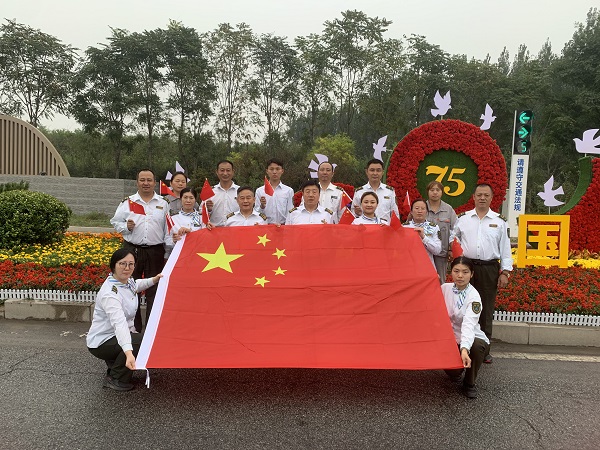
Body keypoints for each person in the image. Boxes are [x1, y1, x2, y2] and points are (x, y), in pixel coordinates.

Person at [451, 183, 513, 364]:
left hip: (489, 268)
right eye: (479, 195)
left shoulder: (499, 221)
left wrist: (505, 272)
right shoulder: (463, 219)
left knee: (484, 309)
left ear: (492, 198)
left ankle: (483, 349)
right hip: (466, 267)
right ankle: (459, 345)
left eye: (486, 195)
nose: (482, 198)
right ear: (473, 197)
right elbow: (453, 239)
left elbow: (505, 249)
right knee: (461, 306)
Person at [87, 248, 162, 391]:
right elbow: (119, 325)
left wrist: (155, 280)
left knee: (138, 340)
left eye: (131, 264)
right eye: (122, 263)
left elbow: (137, 285)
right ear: (113, 265)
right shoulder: (110, 294)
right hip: (102, 341)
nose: (127, 268)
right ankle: (116, 378)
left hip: (114, 336)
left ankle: (115, 365)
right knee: (142, 341)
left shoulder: (126, 282)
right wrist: (129, 352)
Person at [110, 169, 169, 332]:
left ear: (155, 182)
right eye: (142, 180)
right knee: (130, 287)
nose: (146, 183)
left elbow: (168, 229)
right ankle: (133, 328)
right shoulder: (128, 202)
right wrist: (126, 227)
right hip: (132, 250)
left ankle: (151, 329)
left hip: (155, 251)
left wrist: (167, 252)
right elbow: (115, 222)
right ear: (137, 182)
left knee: (153, 289)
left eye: (149, 180)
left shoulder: (163, 203)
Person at [442, 256, 490, 399]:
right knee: (453, 371)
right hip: (450, 337)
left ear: (472, 274)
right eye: (456, 271)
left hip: (471, 338)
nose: (460, 276)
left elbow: (468, 324)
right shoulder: (444, 289)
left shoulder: (474, 297)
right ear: (451, 272)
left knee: (477, 347)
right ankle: (455, 371)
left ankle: (469, 383)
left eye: (465, 272)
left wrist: (464, 349)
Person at [426, 181, 457, 284]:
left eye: (437, 190)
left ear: (442, 192)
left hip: (442, 253)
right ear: (428, 192)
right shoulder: (421, 207)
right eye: (432, 190)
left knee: (440, 282)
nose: (435, 192)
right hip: (424, 253)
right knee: (424, 281)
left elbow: (455, 230)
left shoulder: (448, 209)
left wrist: (451, 249)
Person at [352, 159, 399, 223]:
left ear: (382, 172)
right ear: (367, 172)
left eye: (378, 170)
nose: (375, 173)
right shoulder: (359, 192)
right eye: (372, 170)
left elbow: (395, 215)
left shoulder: (390, 191)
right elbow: (353, 214)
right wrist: (358, 213)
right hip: (364, 227)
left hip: (385, 227)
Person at [403, 199, 442, 267]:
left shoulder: (434, 227)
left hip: (426, 266)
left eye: (423, 209)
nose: (419, 211)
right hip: (408, 266)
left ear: (427, 212)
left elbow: (437, 250)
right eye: (417, 208)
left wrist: (424, 237)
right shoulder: (404, 227)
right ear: (411, 212)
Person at [255, 158, 294, 224]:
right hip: (265, 226)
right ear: (267, 171)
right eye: (271, 169)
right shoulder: (260, 191)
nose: (274, 172)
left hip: (283, 226)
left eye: (277, 169)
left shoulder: (288, 191)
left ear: (282, 171)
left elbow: (290, 212)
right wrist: (262, 206)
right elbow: (256, 212)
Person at [205, 160, 240, 226]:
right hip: (215, 230)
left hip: (235, 229)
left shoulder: (240, 191)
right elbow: (201, 213)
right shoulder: (210, 192)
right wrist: (208, 210)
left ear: (233, 172)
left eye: (228, 170)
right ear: (217, 172)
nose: (225, 173)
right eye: (222, 170)